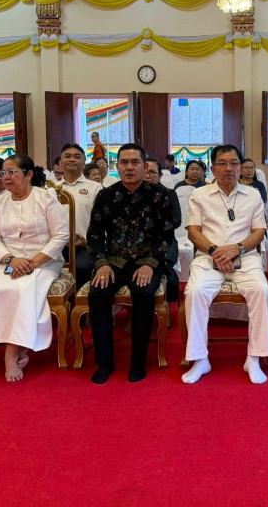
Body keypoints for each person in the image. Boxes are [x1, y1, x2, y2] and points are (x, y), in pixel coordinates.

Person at [0, 155, 68, 382]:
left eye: (11, 172)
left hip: (44, 261)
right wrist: (11, 260)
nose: (6, 177)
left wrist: (33, 263)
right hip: (8, 261)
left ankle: (12, 350)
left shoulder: (46, 197)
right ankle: (13, 343)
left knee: (22, 290)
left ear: (29, 174)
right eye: (3, 173)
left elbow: (60, 236)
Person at [182, 144, 268, 385]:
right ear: (212, 169)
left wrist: (238, 248)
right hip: (208, 256)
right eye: (222, 164)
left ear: (241, 167)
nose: (229, 168)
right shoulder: (200, 195)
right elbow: (193, 231)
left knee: (261, 291)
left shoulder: (252, 194)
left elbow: (259, 231)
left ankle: (254, 358)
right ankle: (200, 359)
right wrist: (215, 251)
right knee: (195, 291)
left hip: (245, 257)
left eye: (234, 163)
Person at [87, 143, 175, 384]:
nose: (129, 167)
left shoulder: (160, 195)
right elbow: (94, 235)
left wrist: (151, 264)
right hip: (113, 261)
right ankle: (104, 362)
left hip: (146, 261)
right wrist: (101, 264)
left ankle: (138, 362)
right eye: (123, 163)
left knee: (143, 293)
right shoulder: (106, 195)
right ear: (117, 166)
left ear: (145, 166)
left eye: (135, 162)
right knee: (98, 293)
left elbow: (166, 235)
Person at [58, 142, 102, 288]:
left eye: (77, 157)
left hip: (84, 245)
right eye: (67, 156)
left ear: (84, 163)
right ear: (61, 162)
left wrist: (88, 241)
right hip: (55, 246)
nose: (72, 159)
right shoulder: (51, 188)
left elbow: (101, 221)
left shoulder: (95, 187)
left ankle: (80, 302)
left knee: (81, 268)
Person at [144, 157, 181, 303]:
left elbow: (176, 220)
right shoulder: (133, 195)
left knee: (165, 263)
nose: (148, 176)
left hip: (165, 238)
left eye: (152, 172)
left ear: (159, 175)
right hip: (139, 239)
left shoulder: (169, 193)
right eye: (145, 172)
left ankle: (170, 300)